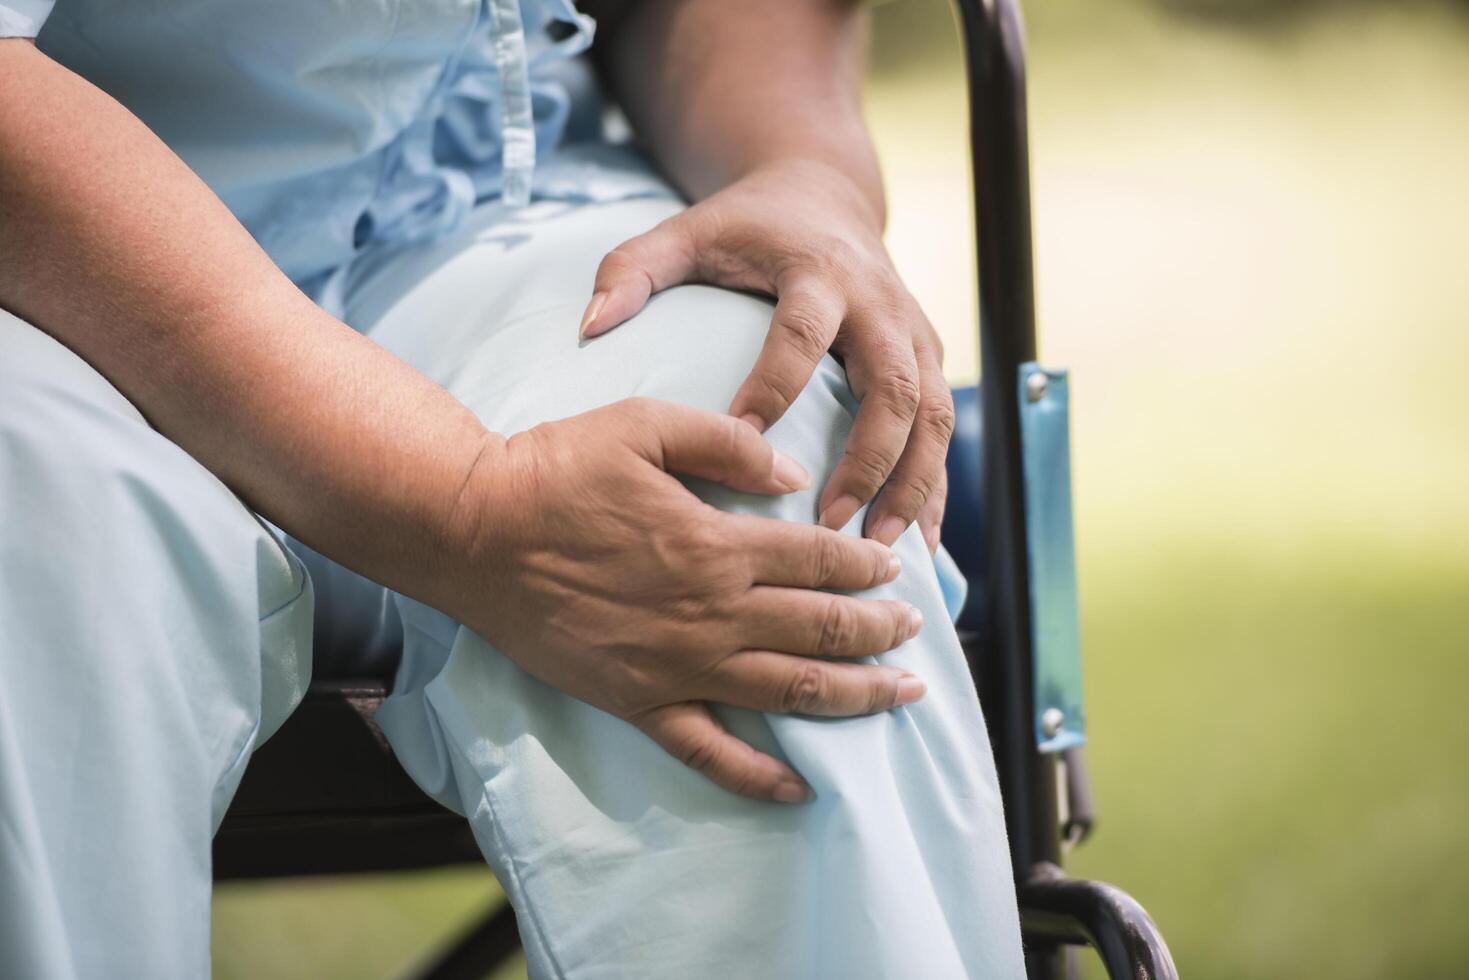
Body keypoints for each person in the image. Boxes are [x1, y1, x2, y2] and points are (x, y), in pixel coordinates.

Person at [0, 0, 1023, 976]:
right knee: (33, 536)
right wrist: (465, 503)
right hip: (61, 269)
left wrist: (804, 167)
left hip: (501, 199)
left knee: (748, 456)